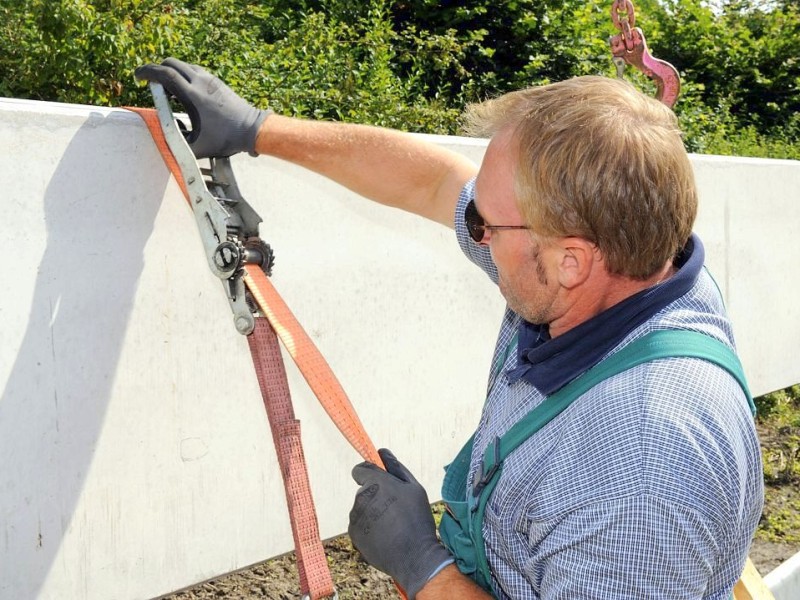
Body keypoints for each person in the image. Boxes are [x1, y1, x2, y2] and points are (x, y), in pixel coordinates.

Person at [135, 58, 764, 599]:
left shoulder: (637, 473)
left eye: (490, 225)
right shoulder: (635, 265)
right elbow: (436, 183)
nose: (475, 231)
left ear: (570, 259)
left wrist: (425, 568)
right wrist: (260, 131)